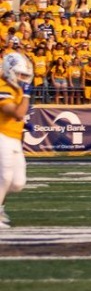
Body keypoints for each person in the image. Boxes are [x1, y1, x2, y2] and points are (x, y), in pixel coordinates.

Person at [0, 51, 33, 228]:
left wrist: (23, 125)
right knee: (4, 177)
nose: (23, 78)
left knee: (18, 183)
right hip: (2, 135)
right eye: (20, 74)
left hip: (13, 137)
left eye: (25, 75)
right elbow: (18, 112)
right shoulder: (3, 87)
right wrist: (26, 96)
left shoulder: (15, 89)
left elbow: (18, 116)